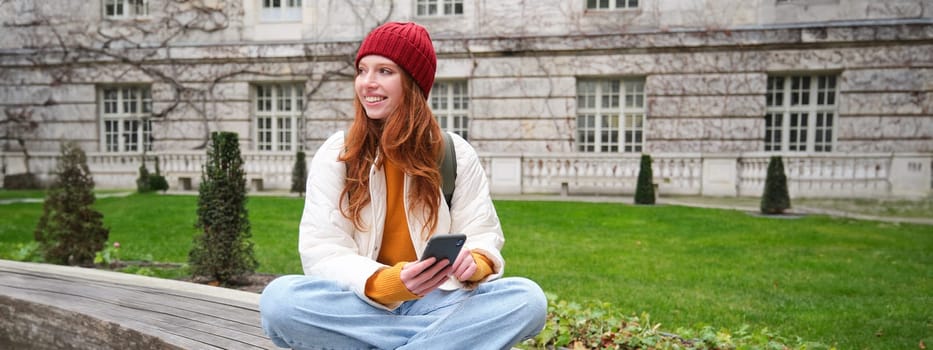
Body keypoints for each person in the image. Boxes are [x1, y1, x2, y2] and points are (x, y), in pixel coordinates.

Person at [259, 21, 547, 350]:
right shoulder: (338, 153)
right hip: (362, 303)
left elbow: (482, 232)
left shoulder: (455, 154)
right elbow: (322, 251)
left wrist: (477, 261)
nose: (367, 83)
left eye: (384, 71)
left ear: (412, 83)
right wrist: (388, 282)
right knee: (279, 302)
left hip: (439, 301)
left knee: (528, 301)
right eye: (362, 70)